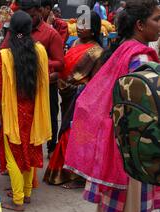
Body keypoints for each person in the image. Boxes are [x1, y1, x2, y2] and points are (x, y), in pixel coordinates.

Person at [64, 0, 160, 212]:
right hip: (130, 140)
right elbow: (144, 100)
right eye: (157, 19)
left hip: (111, 136)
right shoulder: (140, 56)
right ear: (140, 25)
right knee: (125, 210)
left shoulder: (121, 49)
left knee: (110, 203)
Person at [0, 10, 51, 212]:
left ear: (12, 30)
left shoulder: (5, 55)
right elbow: (43, 83)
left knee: (14, 157)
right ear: (29, 30)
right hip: (34, 112)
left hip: (13, 112)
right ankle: (26, 193)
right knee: (29, 150)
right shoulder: (40, 52)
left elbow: (1, 90)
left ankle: (17, 200)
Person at [43, 11, 104, 188]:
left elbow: (96, 83)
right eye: (78, 23)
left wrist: (80, 91)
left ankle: (77, 177)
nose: (79, 27)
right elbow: (64, 68)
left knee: (73, 136)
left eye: (84, 25)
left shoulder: (97, 52)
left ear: (93, 30)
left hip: (81, 98)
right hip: (66, 93)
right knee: (66, 133)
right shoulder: (75, 43)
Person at [1, 0, 64, 158]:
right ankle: (21, 155)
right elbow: (4, 50)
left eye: (31, 14)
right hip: (20, 83)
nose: (27, 17)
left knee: (48, 116)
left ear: (40, 11)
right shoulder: (18, 30)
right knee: (21, 123)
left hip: (44, 83)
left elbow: (60, 62)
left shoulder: (50, 33)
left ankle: (50, 148)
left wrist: (38, 62)